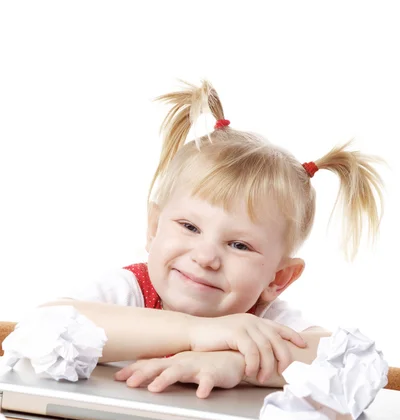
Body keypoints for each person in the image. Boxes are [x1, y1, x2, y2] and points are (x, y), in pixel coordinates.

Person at [43, 80, 384, 398]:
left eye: (239, 245)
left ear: (278, 278)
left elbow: (361, 367)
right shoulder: (128, 292)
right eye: (189, 227)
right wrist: (194, 332)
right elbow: (45, 325)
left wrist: (239, 364)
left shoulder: (263, 323)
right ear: (153, 228)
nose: (206, 256)